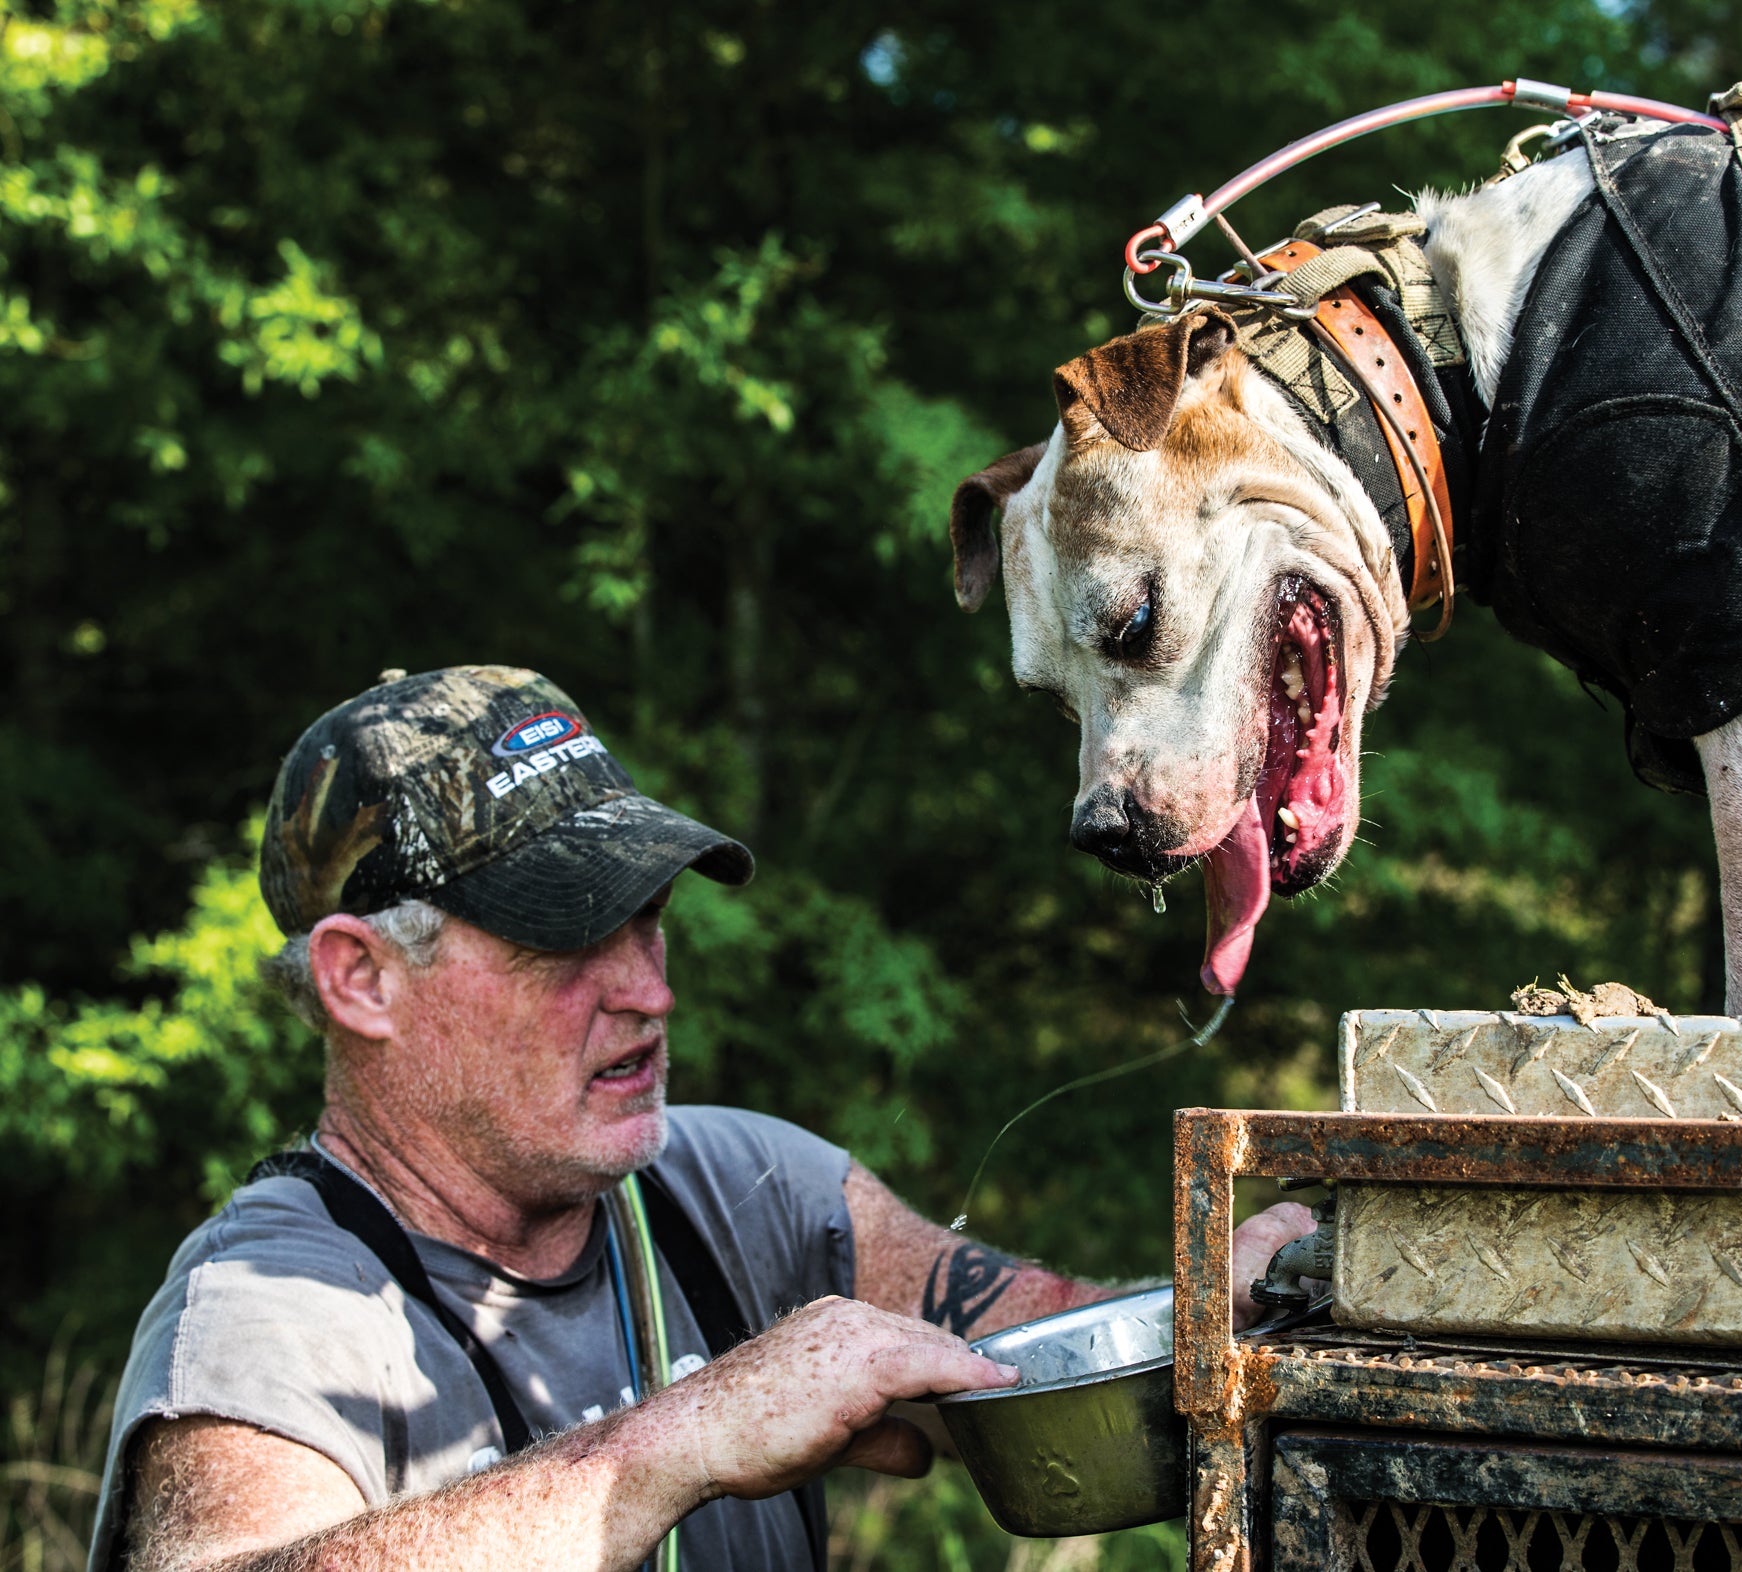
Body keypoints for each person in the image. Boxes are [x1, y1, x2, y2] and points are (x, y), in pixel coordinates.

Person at [89, 665, 1311, 1572]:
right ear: (362, 979)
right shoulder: (269, 1312)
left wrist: (1220, 1304)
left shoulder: (736, 1184)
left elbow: (1037, 1353)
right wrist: (682, 1437)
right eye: (562, 935)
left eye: (645, 919)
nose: (650, 991)